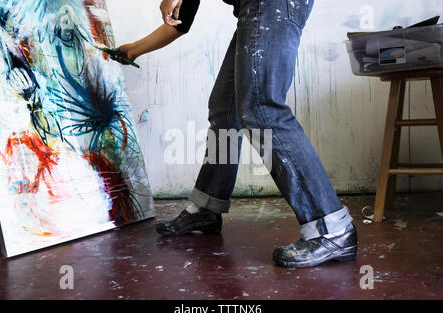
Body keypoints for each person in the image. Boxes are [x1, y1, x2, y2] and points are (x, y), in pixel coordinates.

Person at [117, 0, 358, 269]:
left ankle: (332, 228)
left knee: (261, 107)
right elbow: (180, 23)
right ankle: (207, 208)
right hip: (254, 9)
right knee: (225, 109)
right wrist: (131, 51)